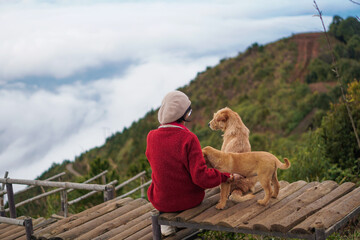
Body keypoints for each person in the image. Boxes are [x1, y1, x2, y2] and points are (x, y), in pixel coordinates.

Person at [146, 90, 240, 235]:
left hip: (161, 201)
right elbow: (201, 178)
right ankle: (187, 227)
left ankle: (166, 222)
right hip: (189, 200)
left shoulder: (151, 137)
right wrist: (226, 176)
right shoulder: (189, 138)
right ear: (183, 114)